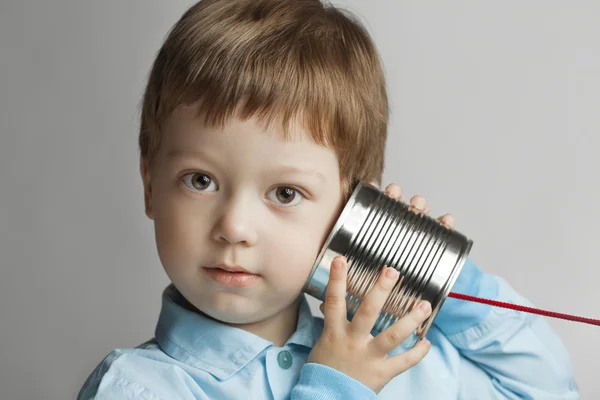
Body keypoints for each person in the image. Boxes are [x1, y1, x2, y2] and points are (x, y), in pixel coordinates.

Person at [78, 0, 579, 398]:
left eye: (285, 192)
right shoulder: (137, 388)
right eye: (200, 181)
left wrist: (438, 277)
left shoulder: (393, 359)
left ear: (350, 208)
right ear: (149, 184)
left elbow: (545, 389)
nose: (234, 227)